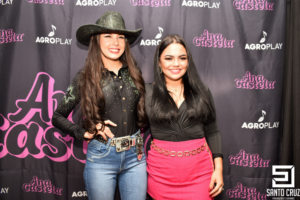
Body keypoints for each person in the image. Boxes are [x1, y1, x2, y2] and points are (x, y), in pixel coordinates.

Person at [51, 11, 148, 200]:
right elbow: (57, 116)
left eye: (121, 37)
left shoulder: (135, 73)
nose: (116, 43)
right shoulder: (84, 77)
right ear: (96, 40)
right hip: (102, 157)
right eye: (108, 36)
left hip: (135, 157)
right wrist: (84, 132)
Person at [145, 34, 224, 200]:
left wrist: (218, 169)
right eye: (168, 58)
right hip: (160, 176)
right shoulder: (146, 93)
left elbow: (213, 131)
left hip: (201, 175)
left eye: (182, 58)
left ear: (188, 62)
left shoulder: (202, 91)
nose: (176, 64)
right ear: (159, 62)